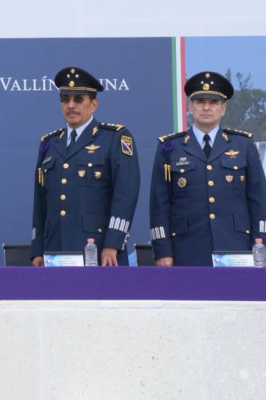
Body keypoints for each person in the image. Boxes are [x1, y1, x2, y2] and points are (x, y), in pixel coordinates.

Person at [149, 71, 266, 266]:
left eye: (213, 103)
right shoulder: (169, 147)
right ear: (190, 107)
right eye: (200, 102)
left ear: (223, 108)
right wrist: (163, 250)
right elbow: (159, 205)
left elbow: (259, 201)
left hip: (236, 248)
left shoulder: (243, 144)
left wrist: (260, 244)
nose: (206, 108)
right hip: (186, 249)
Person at [31, 67, 139, 266]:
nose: (71, 105)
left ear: (94, 104)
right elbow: (41, 203)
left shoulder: (114, 138)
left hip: (98, 250)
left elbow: (125, 196)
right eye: (65, 99)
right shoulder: (49, 143)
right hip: (55, 250)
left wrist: (113, 243)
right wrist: (38, 248)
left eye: (78, 99)